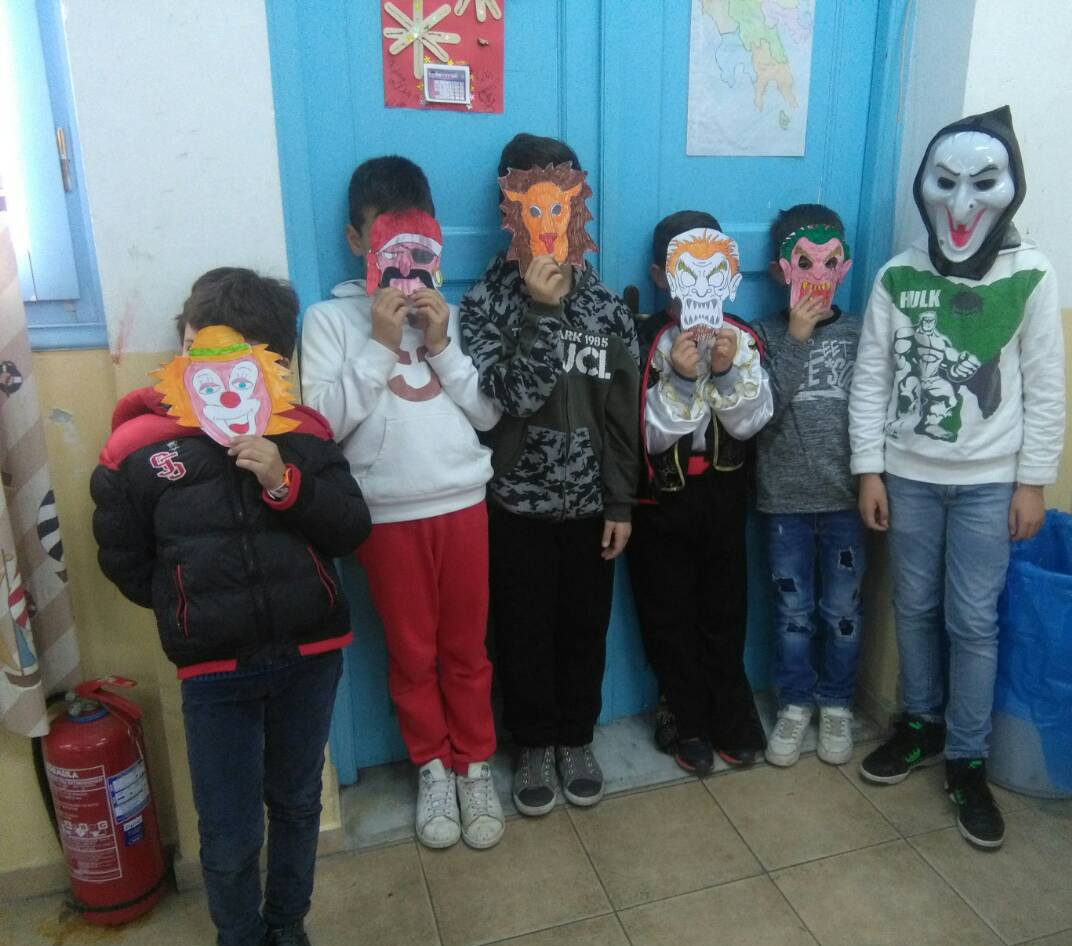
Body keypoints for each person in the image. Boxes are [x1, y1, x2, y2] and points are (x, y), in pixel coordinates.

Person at [92, 268, 372, 946]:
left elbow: (349, 529)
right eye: (197, 348)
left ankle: (287, 925)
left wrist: (284, 480)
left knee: (298, 802)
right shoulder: (139, 447)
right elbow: (125, 559)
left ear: (271, 361)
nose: (212, 369)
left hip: (310, 656)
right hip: (214, 671)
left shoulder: (303, 434)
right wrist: (187, 606)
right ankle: (240, 943)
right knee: (227, 827)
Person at [850, 106, 1065, 850]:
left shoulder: (1032, 274)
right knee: (912, 605)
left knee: (973, 621)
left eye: (982, 183)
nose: (963, 202)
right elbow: (871, 378)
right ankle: (921, 725)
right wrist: (868, 470)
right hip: (906, 477)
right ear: (925, 187)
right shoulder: (898, 275)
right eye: (946, 182)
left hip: (989, 484)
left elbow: (1046, 384)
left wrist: (1033, 481)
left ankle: (967, 758)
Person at [300, 156, 506, 851]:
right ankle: (432, 768)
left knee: (467, 648)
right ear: (357, 242)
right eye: (386, 243)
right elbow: (321, 426)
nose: (406, 267)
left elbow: (487, 414)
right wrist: (380, 345)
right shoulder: (330, 321)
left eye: (420, 246)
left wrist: (441, 344)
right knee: (412, 653)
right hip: (385, 515)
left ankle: (474, 764)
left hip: (463, 503)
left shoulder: (453, 317)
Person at [460, 133, 640, 815]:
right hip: (515, 504)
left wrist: (620, 502)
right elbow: (512, 397)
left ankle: (576, 739)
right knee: (523, 631)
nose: (548, 220)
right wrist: (540, 312)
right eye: (532, 204)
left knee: (584, 630)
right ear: (510, 207)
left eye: (561, 202)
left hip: (592, 506)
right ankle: (533, 743)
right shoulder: (486, 303)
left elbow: (621, 415)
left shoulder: (605, 305)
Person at [628, 210, 772, 775]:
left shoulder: (742, 338)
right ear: (662, 275)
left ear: (730, 276)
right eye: (688, 271)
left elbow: (751, 422)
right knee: (667, 612)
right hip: (663, 501)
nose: (702, 284)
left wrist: (727, 371)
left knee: (725, 608)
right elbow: (645, 436)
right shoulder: (646, 341)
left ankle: (731, 713)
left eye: (715, 272)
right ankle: (684, 716)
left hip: (724, 496)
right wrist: (683, 380)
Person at [751, 204, 866, 769]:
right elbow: (761, 414)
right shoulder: (764, 336)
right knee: (792, 612)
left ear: (843, 267)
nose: (816, 273)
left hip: (846, 501)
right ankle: (795, 702)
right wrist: (795, 339)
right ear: (781, 270)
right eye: (803, 262)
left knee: (842, 610)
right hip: (784, 504)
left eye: (827, 261)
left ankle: (837, 703)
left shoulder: (860, 333)